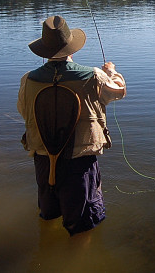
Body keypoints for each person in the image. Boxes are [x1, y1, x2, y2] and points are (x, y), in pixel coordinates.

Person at [17, 15, 126, 235]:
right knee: (82, 226)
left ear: (45, 51)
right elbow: (119, 91)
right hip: (79, 163)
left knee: (48, 215)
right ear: (71, 49)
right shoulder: (94, 76)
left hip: (43, 161)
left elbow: (23, 111)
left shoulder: (28, 79)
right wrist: (111, 71)